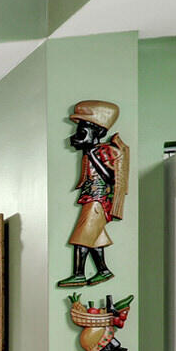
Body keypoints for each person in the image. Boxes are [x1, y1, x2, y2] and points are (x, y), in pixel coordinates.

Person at [61, 100, 128, 289]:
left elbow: (109, 177)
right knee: (94, 237)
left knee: (81, 235)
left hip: (98, 199)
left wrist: (91, 155)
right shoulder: (91, 153)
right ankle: (103, 270)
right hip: (91, 197)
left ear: (97, 132)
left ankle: (78, 274)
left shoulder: (104, 152)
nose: (75, 138)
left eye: (81, 133)